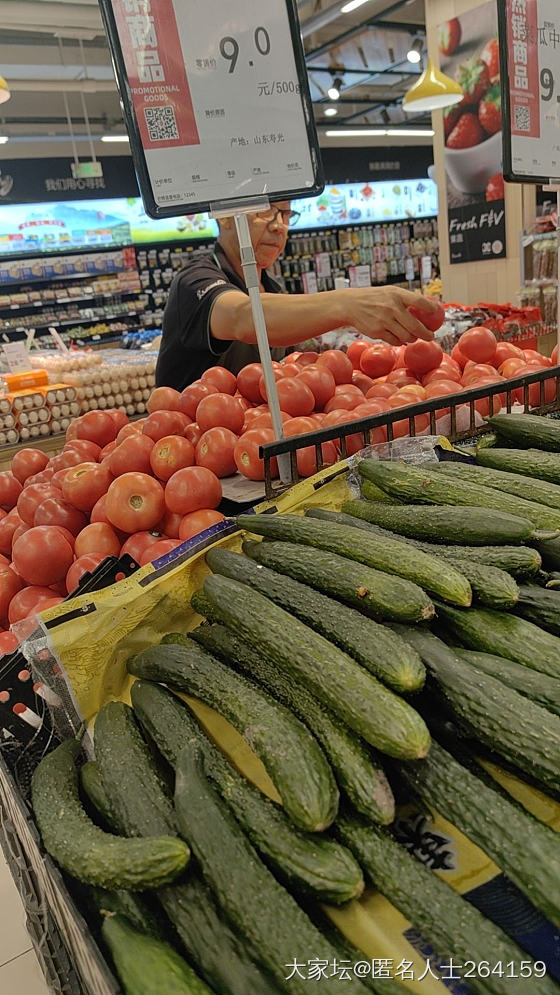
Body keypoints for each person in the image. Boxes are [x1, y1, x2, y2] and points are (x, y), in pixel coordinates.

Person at [155, 201, 441, 392]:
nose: (280, 225)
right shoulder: (194, 281)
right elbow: (241, 316)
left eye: (286, 214)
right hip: (191, 451)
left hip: (253, 444)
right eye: (265, 210)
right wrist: (347, 303)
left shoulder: (275, 289)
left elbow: (290, 377)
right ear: (224, 217)